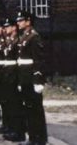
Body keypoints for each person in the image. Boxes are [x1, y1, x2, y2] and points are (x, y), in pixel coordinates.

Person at [15, 10, 48, 145]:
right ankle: (33, 137)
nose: (18, 22)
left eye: (21, 20)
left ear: (28, 21)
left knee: (35, 109)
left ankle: (39, 138)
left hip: (31, 79)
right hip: (24, 78)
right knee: (29, 109)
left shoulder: (34, 37)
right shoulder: (24, 36)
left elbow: (38, 60)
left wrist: (38, 80)